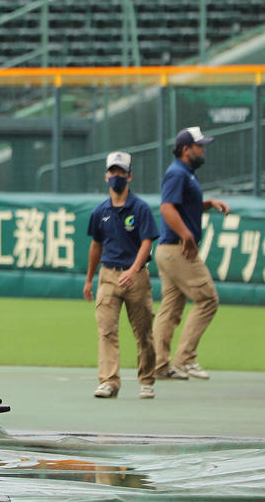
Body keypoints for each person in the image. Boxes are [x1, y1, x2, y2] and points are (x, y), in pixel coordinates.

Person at [153, 127, 230, 380]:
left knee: (171, 308)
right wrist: (186, 235)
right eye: (200, 146)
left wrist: (207, 204)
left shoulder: (185, 173)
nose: (203, 150)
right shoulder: (177, 173)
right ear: (186, 149)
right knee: (208, 299)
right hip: (178, 249)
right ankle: (185, 358)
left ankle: (160, 365)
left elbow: (182, 205)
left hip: (168, 250)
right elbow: (166, 208)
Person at [83, 151, 159, 399]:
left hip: (136, 276)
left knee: (144, 331)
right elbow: (96, 246)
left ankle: (147, 380)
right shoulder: (100, 212)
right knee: (106, 329)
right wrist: (89, 279)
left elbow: (147, 242)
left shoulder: (140, 208)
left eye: (121, 172)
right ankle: (109, 381)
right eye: (113, 171)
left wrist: (134, 270)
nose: (117, 176)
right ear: (106, 175)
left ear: (129, 176)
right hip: (108, 274)